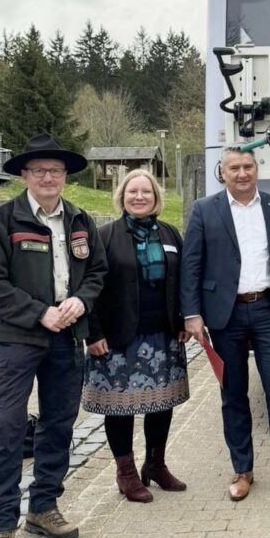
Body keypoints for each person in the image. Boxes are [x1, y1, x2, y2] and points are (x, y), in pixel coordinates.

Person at [0, 134, 107, 538]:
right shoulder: (2, 220)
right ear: (26, 176)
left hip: (68, 341)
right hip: (18, 341)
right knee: (8, 427)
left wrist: (82, 302)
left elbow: (97, 273)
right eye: (39, 171)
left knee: (58, 425)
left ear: (65, 177)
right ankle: (0, 525)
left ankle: (44, 506)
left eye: (56, 171)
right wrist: (39, 314)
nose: (48, 177)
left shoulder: (80, 218)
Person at [181, 146, 270, 501]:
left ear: (256, 169)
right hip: (226, 316)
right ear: (222, 172)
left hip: (269, 310)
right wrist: (192, 313)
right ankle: (243, 470)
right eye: (234, 168)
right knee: (234, 395)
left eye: (247, 167)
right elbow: (191, 265)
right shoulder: (204, 210)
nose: (242, 173)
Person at [83, 169, 189, 503]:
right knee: (121, 408)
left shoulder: (170, 234)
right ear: (122, 197)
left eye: (146, 192)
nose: (139, 197)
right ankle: (126, 474)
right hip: (118, 339)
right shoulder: (104, 236)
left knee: (162, 402)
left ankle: (155, 465)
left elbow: (183, 280)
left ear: (156, 198)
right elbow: (89, 288)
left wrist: (185, 318)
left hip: (163, 335)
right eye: (133, 192)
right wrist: (93, 333)